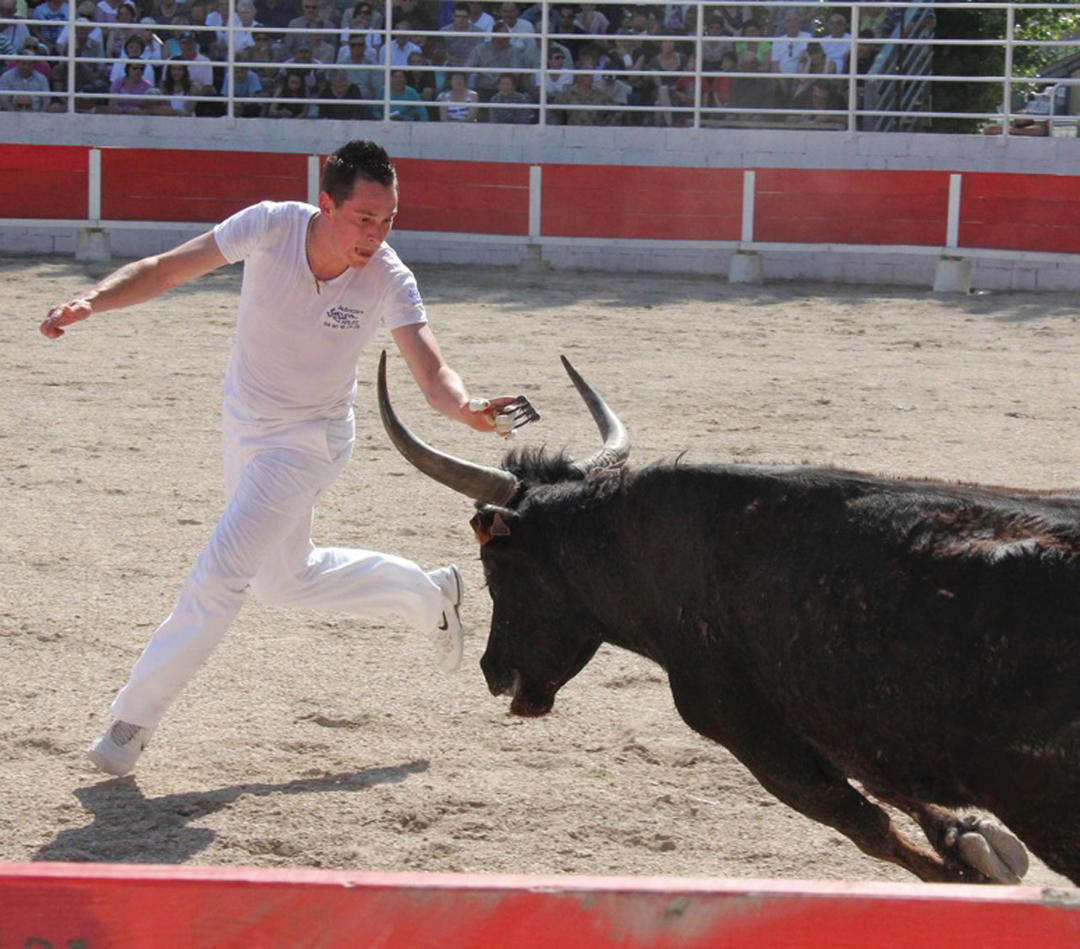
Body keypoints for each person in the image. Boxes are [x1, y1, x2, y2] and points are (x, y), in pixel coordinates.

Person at [40, 140, 519, 778]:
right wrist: (92, 301)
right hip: (244, 428)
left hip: (310, 442)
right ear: (326, 204)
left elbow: (433, 373)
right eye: (364, 219)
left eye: (388, 221)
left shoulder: (388, 276)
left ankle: (130, 723)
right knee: (283, 580)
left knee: (221, 574)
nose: (376, 235)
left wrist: (465, 407)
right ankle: (424, 592)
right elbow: (164, 269)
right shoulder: (269, 225)